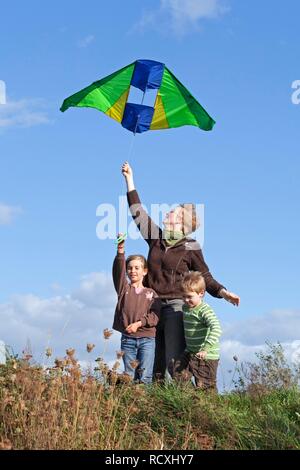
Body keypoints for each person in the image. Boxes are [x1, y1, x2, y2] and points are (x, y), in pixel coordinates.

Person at [121, 161, 240, 380]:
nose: (166, 215)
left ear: (183, 224)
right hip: (151, 305)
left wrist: (223, 292)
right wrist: (130, 180)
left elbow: (204, 276)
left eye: (172, 214)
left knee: (174, 361)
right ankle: (154, 406)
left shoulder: (191, 246)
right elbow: (138, 213)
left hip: (176, 307)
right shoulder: (156, 239)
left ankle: (182, 404)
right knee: (151, 360)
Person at [112, 233, 161, 384]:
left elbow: (155, 316)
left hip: (147, 339)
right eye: (130, 268)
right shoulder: (124, 289)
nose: (133, 271)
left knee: (145, 375)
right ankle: (129, 402)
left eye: (137, 268)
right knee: (129, 374)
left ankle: (143, 405)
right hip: (128, 339)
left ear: (144, 271)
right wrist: (120, 251)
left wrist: (139, 324)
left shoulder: (151, 294)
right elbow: (118, 272)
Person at [172, 271, 222, 392]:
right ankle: (190, 398)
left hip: (206, 355)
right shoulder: (186, 308)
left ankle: (209, 407)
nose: (186, 300)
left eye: (190, 297)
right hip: (190, 351)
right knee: (177, 371)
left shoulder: (204, 310)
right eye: (183, 296)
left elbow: (216, 328)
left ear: (201, 294)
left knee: (205, 385)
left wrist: (205, 348)